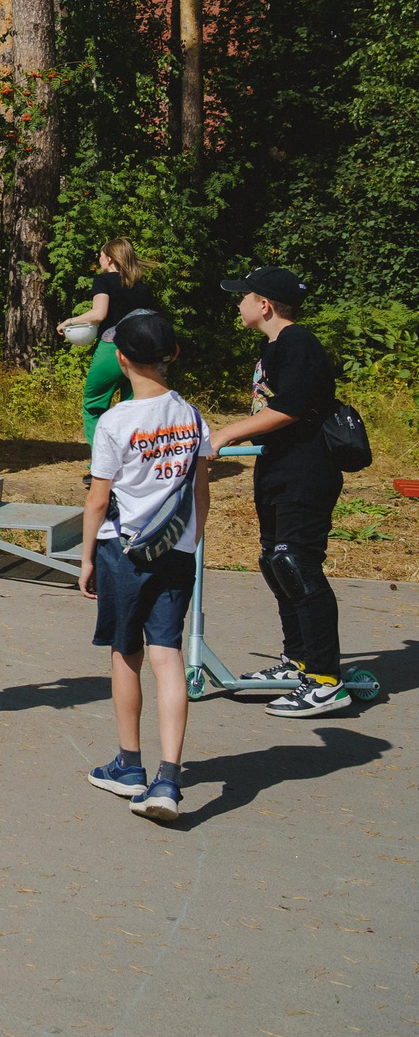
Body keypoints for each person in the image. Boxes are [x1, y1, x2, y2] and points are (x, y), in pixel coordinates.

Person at [77, 310, 206, 823]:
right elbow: (200, 488)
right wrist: (194, 542)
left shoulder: (115, 421)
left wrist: (85, 558)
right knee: (168, 657)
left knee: (125, 652)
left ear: (122, 359)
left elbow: (96, 499)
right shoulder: (193, 416)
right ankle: (169, 777)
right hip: (176, 548)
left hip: (123, 551)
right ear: (171, 355)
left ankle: (129, 764)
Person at [207, 265, 352, 718]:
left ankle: (326, 681)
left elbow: (288, 408)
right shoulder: (273, 346)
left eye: (243, 296)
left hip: (306, 472)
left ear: (264, 304)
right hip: (278, 470)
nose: (238, 303)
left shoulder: (298, 343)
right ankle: (298, 661)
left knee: (297, 564)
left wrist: (225, 434)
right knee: (275, 563)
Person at [57, 240, 158, 442]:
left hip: (112, 348)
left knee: (94, 405)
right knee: (133, 408)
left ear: (110, 258)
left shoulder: (104, 281)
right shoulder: (143, 288)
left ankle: (101, 466)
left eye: (101, 255)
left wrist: (68, 322)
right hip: (140, 352)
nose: (99, 259)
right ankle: (132, 463)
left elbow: (98, 314)